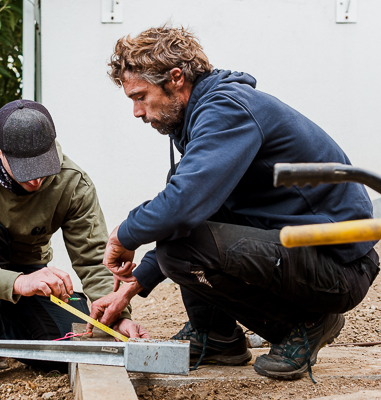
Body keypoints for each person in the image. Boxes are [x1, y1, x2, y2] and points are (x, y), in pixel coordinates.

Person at [88, 25, 380, 381]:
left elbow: (183, 206)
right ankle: (216, 336)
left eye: (140, 96)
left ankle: (307, 323)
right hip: (306, 253)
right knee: (179, 219)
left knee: (180, 242)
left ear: (176, 78)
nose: (136, 111)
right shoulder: (209, 116)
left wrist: (124, 234)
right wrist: (132, 286)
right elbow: (187, 207)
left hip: (339, 266)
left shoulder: (227, 109)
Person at [0, 99, 148, 396]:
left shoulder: (73, 183)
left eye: (43, 165)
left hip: (29, 274)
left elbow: (94, 260)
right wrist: (17, 281)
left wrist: (116, 317)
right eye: (26, 169)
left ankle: (4, 332)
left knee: (59, 353)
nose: (38, 178)